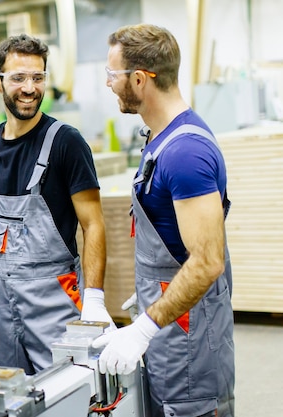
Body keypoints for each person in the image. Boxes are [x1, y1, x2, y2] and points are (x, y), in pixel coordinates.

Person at [0, 33, 115, 375]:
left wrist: (93, 297)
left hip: (53, 297)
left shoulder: (65, 143)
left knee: (66, 390)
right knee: (13, 390)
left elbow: (94, 224)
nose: (30, 88)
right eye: (18, 78)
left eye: (38, 77)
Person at [92, 23, 235, 417]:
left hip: (189, 341)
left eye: (112, 74)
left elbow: (207, 261)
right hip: (169, 326)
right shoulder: (159, 140)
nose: (107, 84)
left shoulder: (184, 153)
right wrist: (151, 289)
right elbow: (175, 241)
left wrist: (143, 327)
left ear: (139, 80)